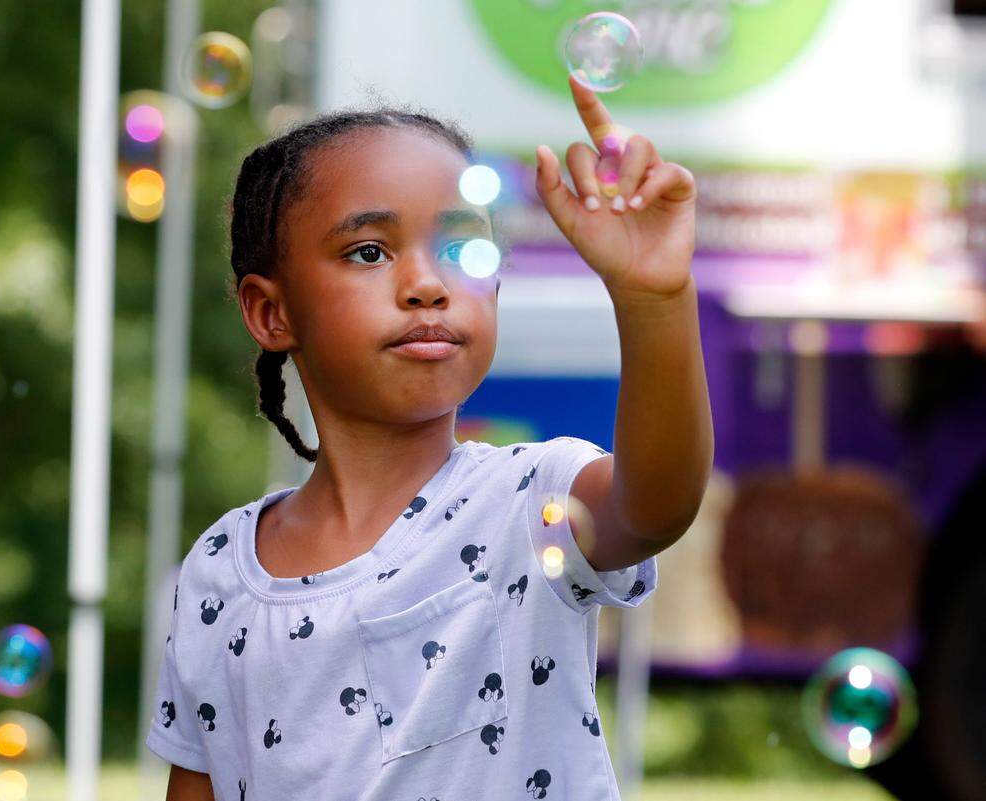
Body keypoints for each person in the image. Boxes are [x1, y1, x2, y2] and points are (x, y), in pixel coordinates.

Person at [146, 73, 712, 801]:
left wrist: (654, 298)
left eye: (460, 248)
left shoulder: (529, 499)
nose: (426, 283)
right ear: (270, 311)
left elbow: (657, 502)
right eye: (369, 252)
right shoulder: (220, 572)